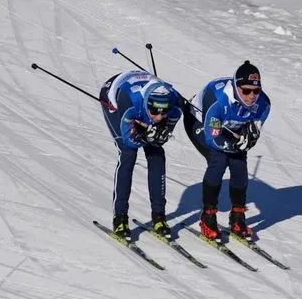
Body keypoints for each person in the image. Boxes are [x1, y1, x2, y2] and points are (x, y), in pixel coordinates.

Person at [183, 61, 271, 242]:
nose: (252, 96)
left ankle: (237, 217)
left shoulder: (264, 104)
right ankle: (208, 217)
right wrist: (237, 145)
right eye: (246, 91)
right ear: (236, 86)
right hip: (199, 121)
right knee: (219, 161)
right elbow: (212, 139)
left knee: (239, 166)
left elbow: (251, 134)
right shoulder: (218, 101)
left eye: (256, 91)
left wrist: (248, 140)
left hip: (230, 126)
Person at [99, 70, 182, 240]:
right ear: (147, 104)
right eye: (155, 112)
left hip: (142, 92)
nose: (159, 117)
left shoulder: (175, 104)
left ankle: (159, 216)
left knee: (156, 154)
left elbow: (160, 138)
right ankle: (120, 218)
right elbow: (130, 141)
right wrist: (145, 135)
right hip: (115, 96)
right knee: (128, 154)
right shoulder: (129, 101)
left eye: (163, 112)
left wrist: (156, 136)